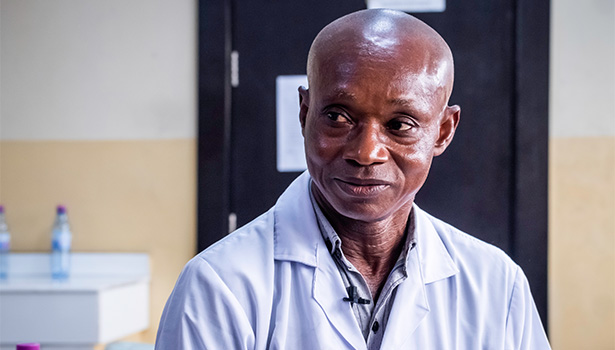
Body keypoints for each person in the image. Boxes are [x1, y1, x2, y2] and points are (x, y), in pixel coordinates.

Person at [155, 9, 550, 349]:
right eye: (338, 117)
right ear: (304, 112)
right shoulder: (219, 286)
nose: (366, 152)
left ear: (443, 131)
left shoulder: (495, 285)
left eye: (401, 124)